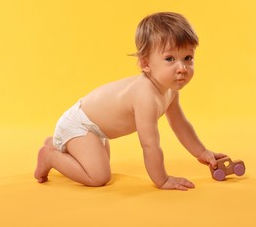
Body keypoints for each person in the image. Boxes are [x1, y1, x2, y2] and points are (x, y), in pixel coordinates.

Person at [34, 12, 227, 191]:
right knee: (99, 176)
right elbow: (150, 144)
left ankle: (58, 143)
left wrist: (202, 152)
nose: (182, 68)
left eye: (188, 58)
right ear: (146, 64)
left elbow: (180, 124)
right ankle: (50, 156)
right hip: (80, 125)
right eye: (170, 59)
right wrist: (162, 179)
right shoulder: (145, 95)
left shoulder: (169, 91)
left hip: (96, 131)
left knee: (98, 161)